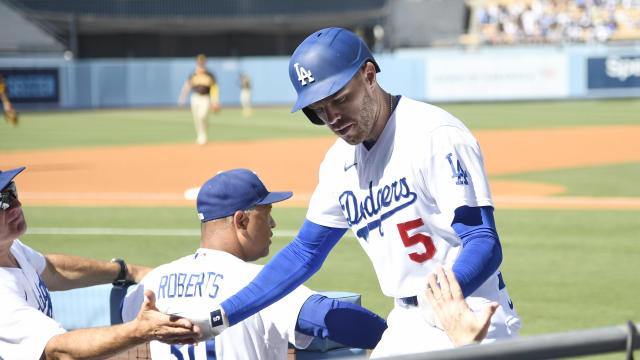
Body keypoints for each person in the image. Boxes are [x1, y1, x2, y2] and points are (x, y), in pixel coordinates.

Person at [171, 27, 521, 358]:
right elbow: (304, 253)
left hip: (470, 309)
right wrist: (220, 317)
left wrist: (440, 303)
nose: (333, 117)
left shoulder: (433, 134)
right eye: (319, 110)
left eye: (340, 99)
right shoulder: (339, 163)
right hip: (408, 320)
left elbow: (482, 239)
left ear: (369, 75)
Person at [121, 168, 388, 359]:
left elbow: (123, 313)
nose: (273, 224)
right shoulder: (260, 283)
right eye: (266, 214)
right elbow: (329, 319)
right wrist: (398, 332)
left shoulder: (153, 283)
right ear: (241, 221)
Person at [0, 166, 200, 360]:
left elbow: (51, 269)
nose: (16, 204)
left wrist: (127, 271)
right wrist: (140, 330)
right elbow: (57, 350)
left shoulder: (12, 248)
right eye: (3, 202)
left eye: (12, 191)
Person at [178, 54, 220, 145]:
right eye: (199, 62)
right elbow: (187, 86)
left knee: (202, 115)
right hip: (195, 97)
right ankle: (201, 136)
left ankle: (203, 135)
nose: (201, 63)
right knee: (197, 118)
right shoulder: (193, 74)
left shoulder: (209, 75)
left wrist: (215, 100)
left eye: (202, 62)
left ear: (205, 63)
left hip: (205, 98)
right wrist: (183, 97)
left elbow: (214, 88)